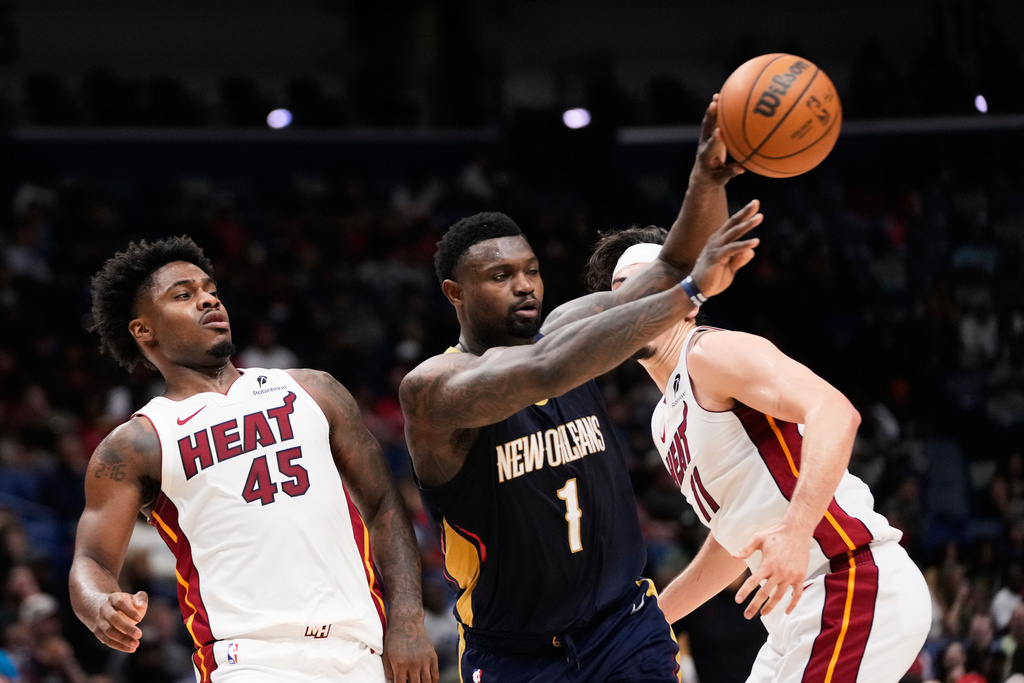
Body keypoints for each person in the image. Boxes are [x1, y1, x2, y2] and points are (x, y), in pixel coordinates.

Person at [399, 98, 756, 682]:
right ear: (453, 292)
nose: (524, 287)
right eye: (500, 276)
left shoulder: (568, 328)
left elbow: (668, 266)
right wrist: (689, 294)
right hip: (518, 655)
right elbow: (543, 369)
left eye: (531, 270)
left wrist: (705, 179)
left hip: (625, 627)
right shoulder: (435, 390)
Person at [70, 237, 438, 683]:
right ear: (143, 330)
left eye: (210, 290)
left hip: (363, 648)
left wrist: (406, 621)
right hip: (248, 660)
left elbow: (383, 507)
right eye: (183, 295)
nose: (207, 299)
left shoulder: (314, 389)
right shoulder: (138, 443)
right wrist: (101, 605)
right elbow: (91, 563)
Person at [584, 227, 932, 683]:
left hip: (851, 582)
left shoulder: (711, 353)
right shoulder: (663, 420)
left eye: (649, 284)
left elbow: (834, 411)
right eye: (620, 290)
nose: (633, 299)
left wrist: (795, 529)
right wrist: (648, 621)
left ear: (686, 298)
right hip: (795, 617)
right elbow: (734, 539)